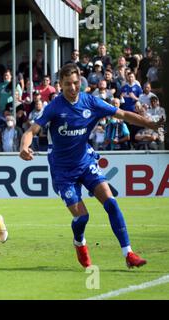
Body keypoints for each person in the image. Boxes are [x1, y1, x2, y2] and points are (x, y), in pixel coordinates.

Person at [19, 64, 164, 269]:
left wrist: (150, 124)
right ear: (60, 85)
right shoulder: (54, 107)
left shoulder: (91, 102)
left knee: (111, 203)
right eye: (68, 84)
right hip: (63, 172)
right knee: (82, 217)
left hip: (86, 163)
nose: (72, 87)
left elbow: (122, 114)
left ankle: (129, 253)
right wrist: (24, 147)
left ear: (81, 82)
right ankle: (79, 242)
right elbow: (31, 131)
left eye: (76, 83)